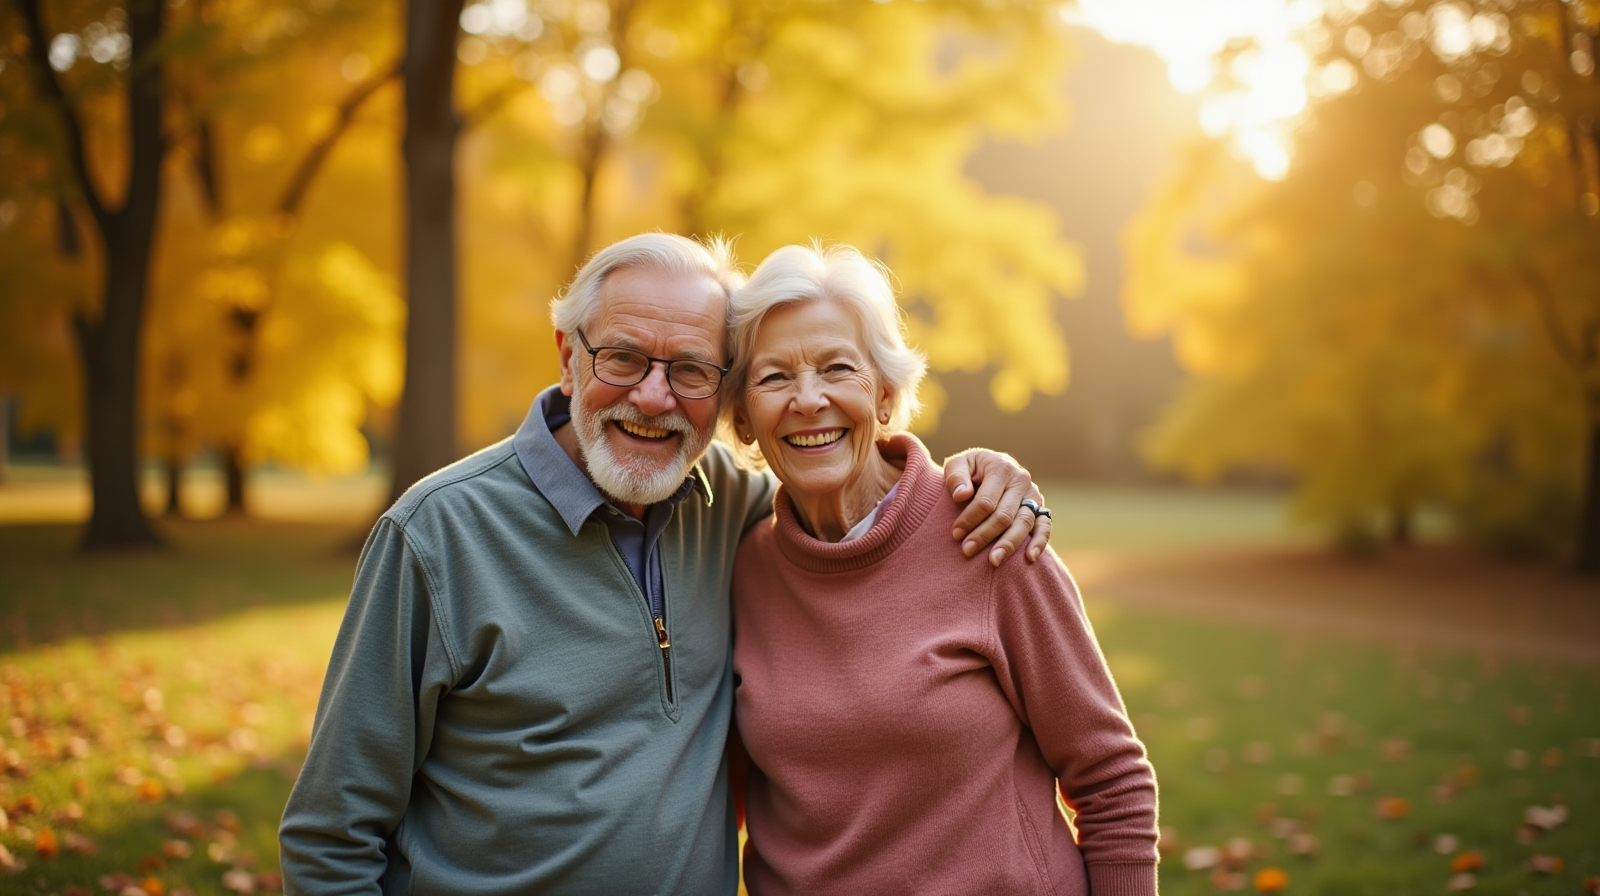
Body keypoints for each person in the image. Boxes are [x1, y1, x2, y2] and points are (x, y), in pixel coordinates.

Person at [278, 233, 1053, 896]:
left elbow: (854, 487)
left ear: (724, 395)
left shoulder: (736, 511)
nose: (653, 398)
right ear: (566, 357)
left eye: (690, 369)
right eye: (622, 358)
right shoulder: (436, 535)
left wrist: (982, 472)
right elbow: (331, 834)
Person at [726, 243, 1158, 895]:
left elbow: (1112, 780)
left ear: (885, 393)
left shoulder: (988, 532)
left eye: (837, 368)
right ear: (743, 418)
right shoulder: (740, 569)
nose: (808, 399)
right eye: (774, 377)